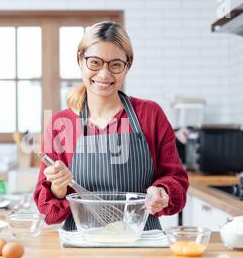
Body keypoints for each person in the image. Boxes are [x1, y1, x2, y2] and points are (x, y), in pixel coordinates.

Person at [33, 21, 189, 231]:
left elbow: (176, 178)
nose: (104, 74)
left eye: (115, 64)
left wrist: (163, 191)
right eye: (95, 62)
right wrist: (58, 187)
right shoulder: (61, 124)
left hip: (141, 240)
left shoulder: (150, 115)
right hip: (81, 242)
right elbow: (48, 212)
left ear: (128, 65)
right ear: (80, 59)